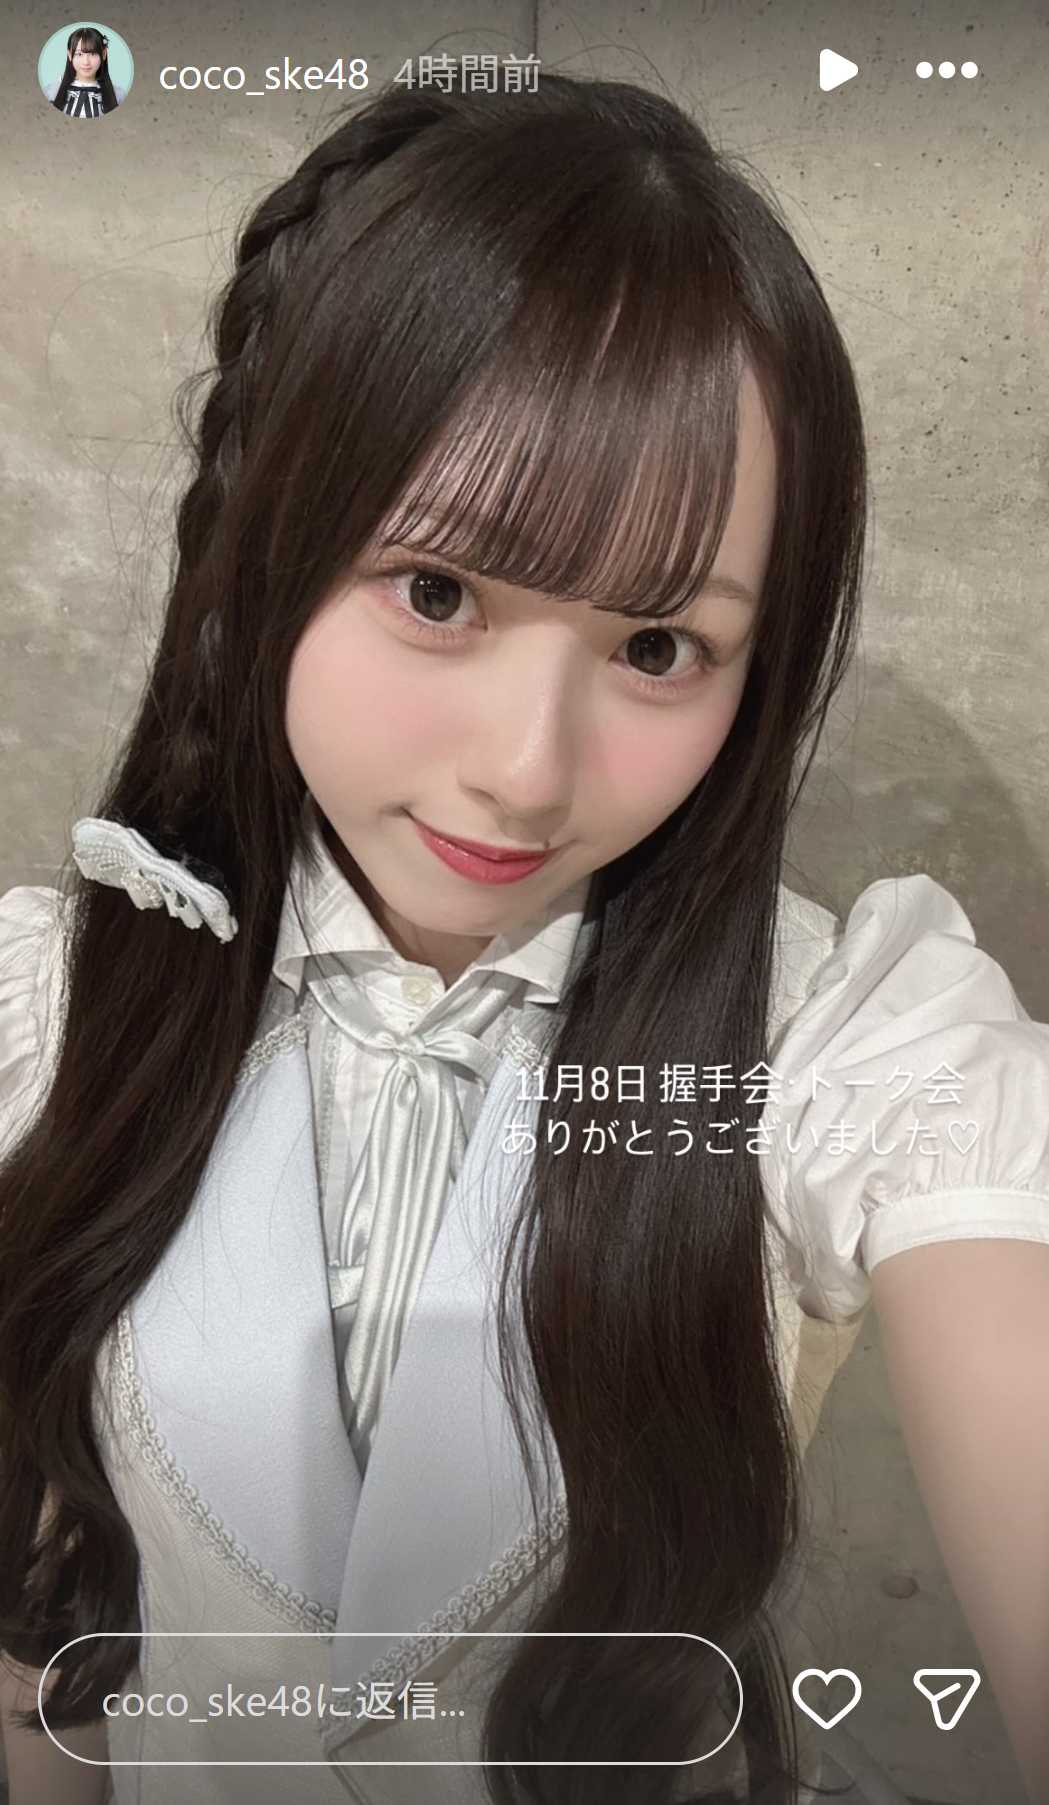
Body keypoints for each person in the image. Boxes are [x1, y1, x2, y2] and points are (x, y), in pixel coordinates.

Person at [1, 67, 1047, 1805]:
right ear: (268, 547)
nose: (528, 767)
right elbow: (47, 1655)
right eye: (437, 594)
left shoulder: (840, 1034)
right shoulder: (55, 1005)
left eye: (657, 648)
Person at [44, 27, 126, 117]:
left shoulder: (118, 95)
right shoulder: (51, 92)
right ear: (70, 55)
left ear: (104, 54)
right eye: (79, 54)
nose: (86, 62)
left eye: (93, 54)